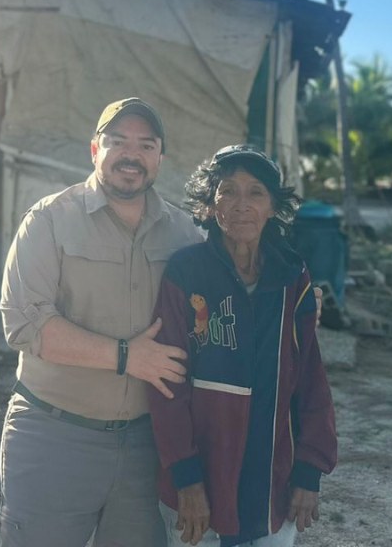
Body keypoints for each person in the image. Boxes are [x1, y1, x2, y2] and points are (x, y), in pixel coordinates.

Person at [0, 98, 205, 547]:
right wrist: (127, 356)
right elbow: (24, 323)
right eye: (118, 142)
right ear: (95, 150)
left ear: (159, 158)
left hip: (147, 447)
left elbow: (234, 286)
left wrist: (295, 297)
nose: (131, 155)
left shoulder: (185, 234)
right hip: (55, 436)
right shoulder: (49, 220)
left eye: (145, 145)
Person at [149, 146, 337, 547]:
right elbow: (168, 386)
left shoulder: (292, 277)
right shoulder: (186, 272)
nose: (241, 205)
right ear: (210, 202)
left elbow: (311, 380)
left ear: (272, 207)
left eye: (256, 193)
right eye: (228, 191)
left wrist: (309, 470)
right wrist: (186, 479)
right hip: (201, 483)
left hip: (275, 482)